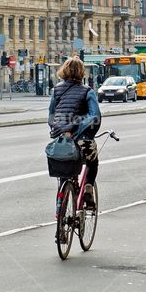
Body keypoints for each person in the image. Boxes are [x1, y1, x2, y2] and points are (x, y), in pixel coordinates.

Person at [48, 57, 101, 208]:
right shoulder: (87, 91)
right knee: (93, 162)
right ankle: (88, 188)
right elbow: (94, 116)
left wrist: (58, 131)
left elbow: (51, 116)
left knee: (64, 171)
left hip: (61, 140)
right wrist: (78, 129)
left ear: (64, 70)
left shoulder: (56, 90)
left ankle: (61, 206)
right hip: (81, 139)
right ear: (81, 72)